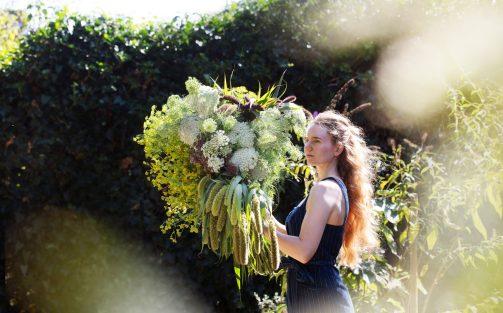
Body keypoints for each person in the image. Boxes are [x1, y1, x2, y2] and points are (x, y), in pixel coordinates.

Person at [264, 110, 380, 313]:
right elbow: (298, 238)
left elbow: (303, 251)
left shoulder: (325, 190)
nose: (308, 146)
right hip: (312, 295)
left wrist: (263, 231)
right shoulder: (329, 188)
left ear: (337, 149)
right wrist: (265, 218)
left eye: (316, 140)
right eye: (307, 140)